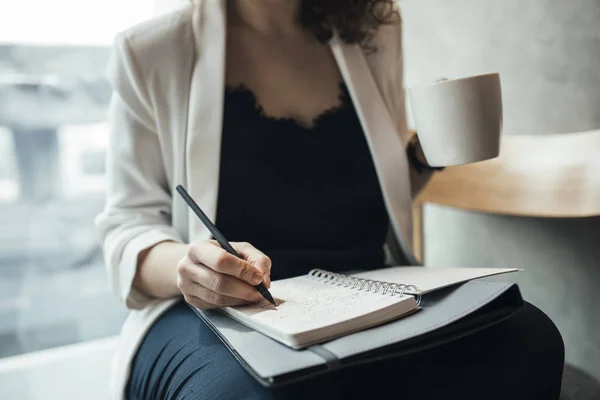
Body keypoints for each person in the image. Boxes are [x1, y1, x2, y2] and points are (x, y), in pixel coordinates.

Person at [96, 0, 565, 399]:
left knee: (528, 339)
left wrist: (425, 156)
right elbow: (127, 227)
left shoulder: (371, 29)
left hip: (366, 290)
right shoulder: (154, 51)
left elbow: (361, 191)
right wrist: (190, 266)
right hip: (221, 311)